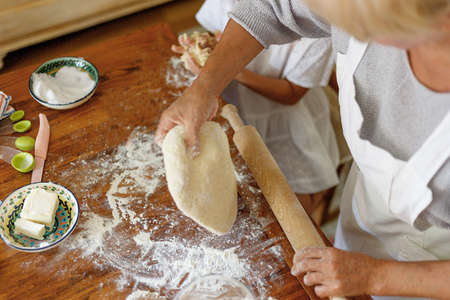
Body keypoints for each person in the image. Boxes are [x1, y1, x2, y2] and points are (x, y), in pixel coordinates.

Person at [156, 0, 450, 298]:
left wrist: (376, 276)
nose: (341, 30)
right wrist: (204, 89)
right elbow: (272, 9)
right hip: (368, 215)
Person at [172, 0, 340, 216]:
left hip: (289, 122)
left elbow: (291, 94)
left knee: (292, 202)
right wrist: (203, 49)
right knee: (243, 181)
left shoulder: (324, 18)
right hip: (237, 102)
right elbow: (219, 31)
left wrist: (235, 72)